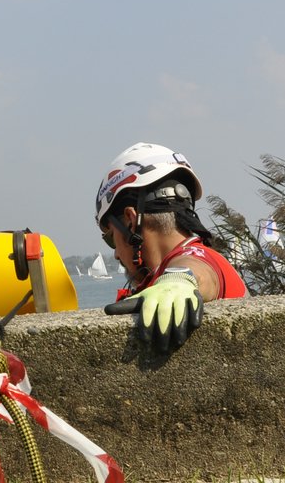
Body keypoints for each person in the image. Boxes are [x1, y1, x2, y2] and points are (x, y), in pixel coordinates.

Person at [96, 142, 247, 351]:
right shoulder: (159, 279)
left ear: (131, 221)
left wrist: (180, 278)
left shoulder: (200, 258)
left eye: (111, 238)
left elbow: (199, 270)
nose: (115, 254)